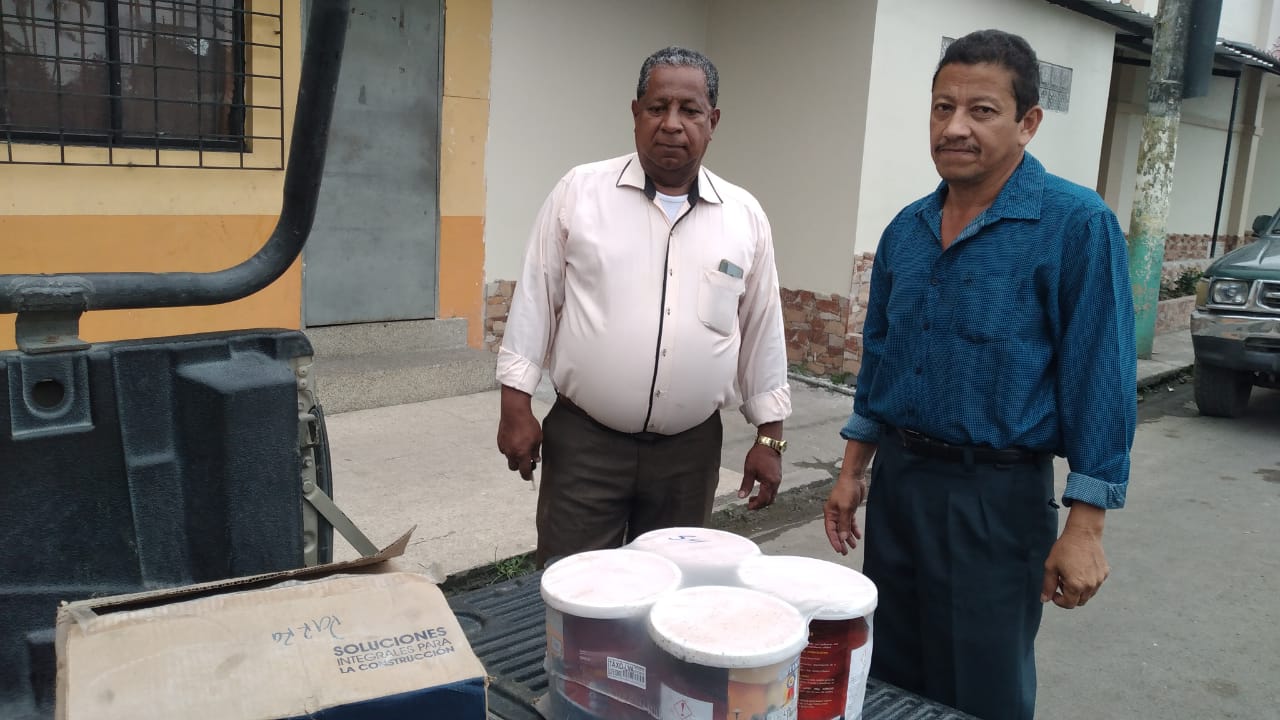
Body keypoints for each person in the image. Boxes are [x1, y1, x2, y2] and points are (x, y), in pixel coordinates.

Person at [823, 29, 1136, 720]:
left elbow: (1101, 377)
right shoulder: (907, 230)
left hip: (995, 500)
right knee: (888, 679)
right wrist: (852, 471)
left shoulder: (1075, 225)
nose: (955, 127)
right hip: (901, 487)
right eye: (943, 107)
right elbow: (880, 358)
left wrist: (1086, 525)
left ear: (1028, 123)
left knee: (981, 690)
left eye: (982, 110)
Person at [496, 46, 791, 568]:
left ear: (712, 122)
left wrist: (770, 438)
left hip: (688, 456)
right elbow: (536, 299)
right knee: (576, 586)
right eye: (657, 107)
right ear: (636, 113)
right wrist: (515, 407)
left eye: (690, 110)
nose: (672, 124)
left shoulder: (744, 217)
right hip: (586, 446)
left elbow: (762, 327)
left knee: (671, 589)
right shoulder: (580, 193)